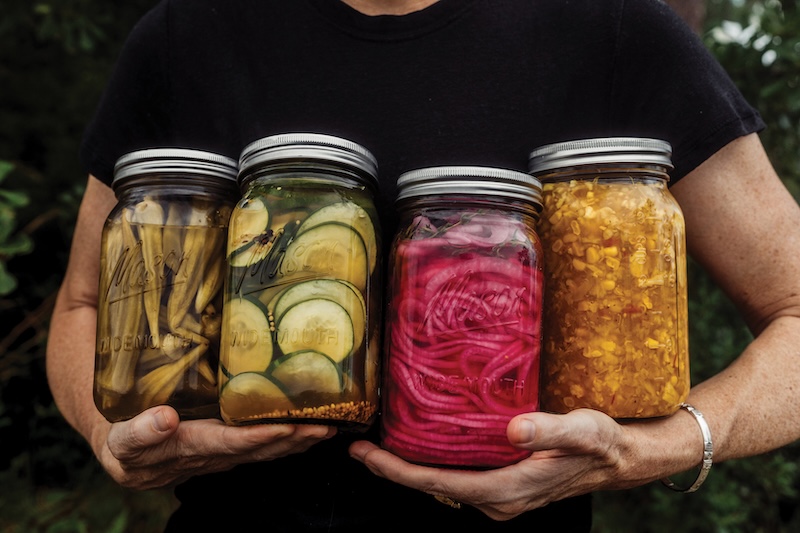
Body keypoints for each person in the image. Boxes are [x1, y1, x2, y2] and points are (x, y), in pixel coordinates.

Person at [46, 0, 800, 530]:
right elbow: (84, 306)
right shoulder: (187, 35)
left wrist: (658, 446)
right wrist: (105, 434)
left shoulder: (614, 30)